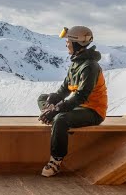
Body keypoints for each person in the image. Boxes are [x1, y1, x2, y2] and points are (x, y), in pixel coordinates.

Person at [36, 25, 108, 177]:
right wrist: (53, 100)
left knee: (60, 118)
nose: (66, 44)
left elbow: (81, 96)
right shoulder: (76, 64)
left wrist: (57, 109)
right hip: (78, 107)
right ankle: (50, 115)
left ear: (76, 43)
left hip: (93, 111)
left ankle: (56, 161)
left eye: (68, 41)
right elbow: (64, 90)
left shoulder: (90, 67)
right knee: (43, 98)